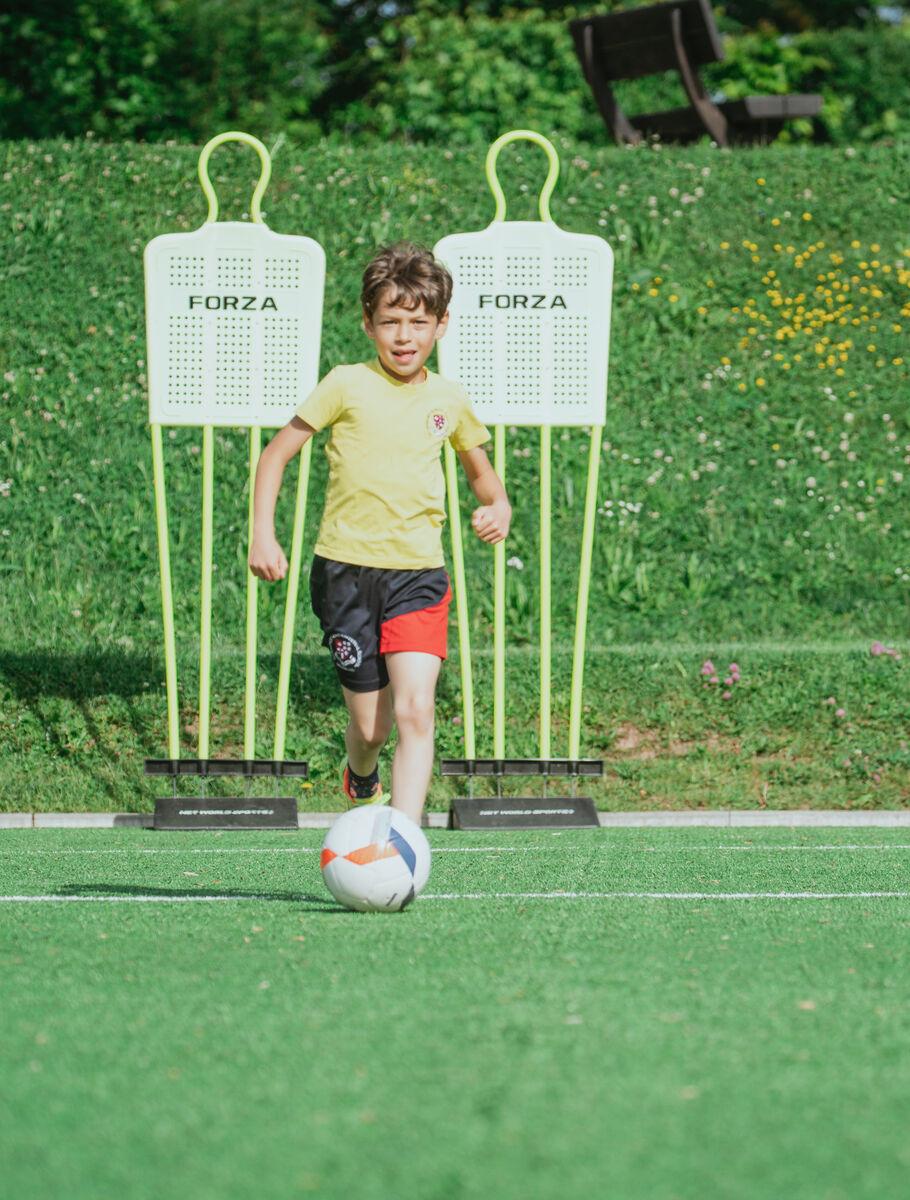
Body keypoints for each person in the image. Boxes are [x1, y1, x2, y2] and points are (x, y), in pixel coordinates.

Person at [249, 241, 510, 823]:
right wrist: (262, 534)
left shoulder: (449, 399)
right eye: (390, 321)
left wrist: (499, 508)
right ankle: (361, 771)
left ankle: (405, 839)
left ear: (441, 325)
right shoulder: (344, 384)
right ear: (368, 323)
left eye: (418, 322)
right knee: (372, 726)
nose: (403, 336)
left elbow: (485, 480)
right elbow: (275, 456)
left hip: (419, 575)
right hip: (344, 574)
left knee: (417, 712)